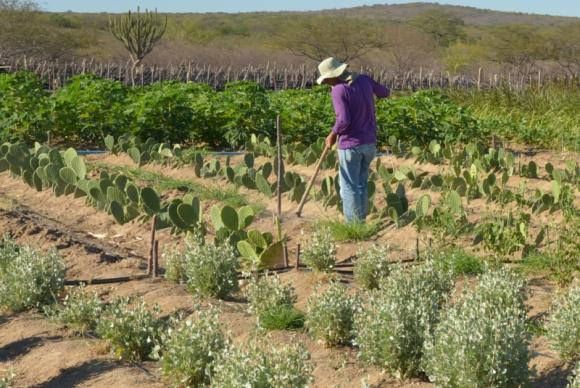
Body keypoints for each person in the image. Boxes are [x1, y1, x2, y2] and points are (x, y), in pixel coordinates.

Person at [317, 57, 390, 223]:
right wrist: (366, 96)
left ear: (333, 76)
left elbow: (343, 120)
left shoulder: (338, 89)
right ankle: (361, 222)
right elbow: (385, 92)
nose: (327, 83)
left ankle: (353, 225)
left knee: (349, 187)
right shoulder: (363, 79)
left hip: (350, 145)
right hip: (369, 143)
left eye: (327, 79)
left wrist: (332, 134)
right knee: (361, 185)